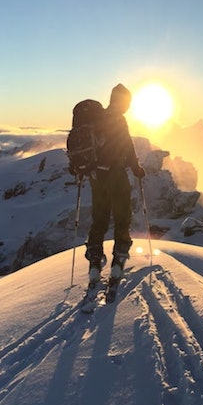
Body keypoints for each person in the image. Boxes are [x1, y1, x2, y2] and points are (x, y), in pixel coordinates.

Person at [84, 83, 145, 285]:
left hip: (95, 178)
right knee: (122, 218)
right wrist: (136, 168)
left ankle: (94, 263)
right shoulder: (118, 119)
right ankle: (118, 261)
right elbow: (127, 146)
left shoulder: (95, 119)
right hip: (115, 176)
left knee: (99, 220)